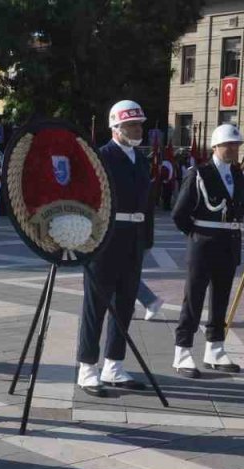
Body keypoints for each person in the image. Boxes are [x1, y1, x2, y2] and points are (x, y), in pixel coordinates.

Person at [74, 100, 155, 396]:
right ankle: (87, 368)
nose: (138, 130)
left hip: (132, 238)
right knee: (95, 307)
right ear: (116, 128)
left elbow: (147, 203)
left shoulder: (141, 159)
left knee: (124, 305)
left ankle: (114, 365)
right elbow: (86, 200)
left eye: (139, 125)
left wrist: (146, 239)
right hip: (105, 239)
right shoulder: (101, 157)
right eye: (132, 125)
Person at [170, 124, 244, 377]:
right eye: (228, 145)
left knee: (220, 299)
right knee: (193, 299)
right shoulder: (199, 173)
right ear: (215, 146)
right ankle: (182, 351)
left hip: (229, 243)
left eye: (236, 145)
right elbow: (180, 213)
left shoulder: (239, 175)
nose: (233, 149)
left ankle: (215, 348)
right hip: (204, 245)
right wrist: (198, 236)